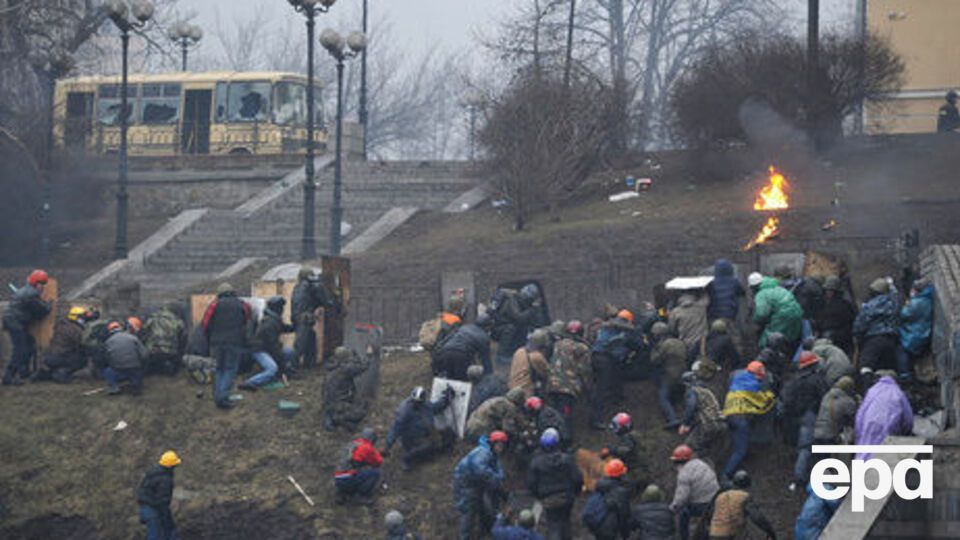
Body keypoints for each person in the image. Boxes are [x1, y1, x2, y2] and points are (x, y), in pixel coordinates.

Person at [782, 351, 830, 489]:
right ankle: (799, 477)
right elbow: (824, 397)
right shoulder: (816, 379)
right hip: (809, 416)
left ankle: (803, 472)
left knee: (802, 447)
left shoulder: (794, 380)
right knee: (806, 447)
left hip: (794, 417)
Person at [201, 283, 252, 409]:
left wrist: (210, 338)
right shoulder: (242, 305)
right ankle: (222, 397)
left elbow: (205, 324)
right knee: (230, 369)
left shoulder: (214, 305)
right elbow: (247, 320)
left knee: (218, 369)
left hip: (216, 343)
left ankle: (219, 395)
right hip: (235, 343)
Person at [721, 361, 776, 478]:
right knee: (740, 450)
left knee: (736, 443)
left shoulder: (737, 380)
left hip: (729, 415)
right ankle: (726, 475)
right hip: (740, 418)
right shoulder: (751, 385)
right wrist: (770, 395)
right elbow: (763, 403)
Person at [526, 428, 583, 539]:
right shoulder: (567, 459)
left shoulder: (536, 462)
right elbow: (577, 479)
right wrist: (575, 492)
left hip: (548, 499)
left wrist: (539, 496)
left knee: (553, 525)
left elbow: (531, 484)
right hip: (566, 497)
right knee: (565, 522)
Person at [590, 310, 642, 428]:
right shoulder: (624, 330)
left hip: (597, 357)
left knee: (614, 376)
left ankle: (617, 397)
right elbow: (636, 344)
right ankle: (595, 420)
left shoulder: (607, 328)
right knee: (601, 389)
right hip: (605, 359)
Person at [384, 385, 455, 470]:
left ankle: (434, 452)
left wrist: (446, 399)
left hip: (426, 434)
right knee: (428, 445)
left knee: (449, 432)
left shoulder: (425, 405)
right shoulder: (404, 411)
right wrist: (388, 445)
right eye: (414, 401)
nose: (416, 404)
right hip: (411, 439)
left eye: (419, 402)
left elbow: (436, 407)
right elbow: (395, 429)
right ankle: (406, 458)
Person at [454, 431, 509, 540]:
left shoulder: (492, 453)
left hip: (476, 482)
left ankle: (485, 530)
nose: (500, 448)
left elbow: (497, 467)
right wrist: (496, 479)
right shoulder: (483, 453)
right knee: (469, 510)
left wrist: (500, 477)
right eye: (499, 445)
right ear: (493, 444)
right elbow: (481, 470)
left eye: (502, 446)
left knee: (483, 506)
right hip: (466, 483)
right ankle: (464, 536)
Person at [2, 269, 52, 385]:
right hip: (15, 322)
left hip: (14, 321)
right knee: (20, 350)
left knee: (29, 344)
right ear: (35, 283)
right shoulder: (32, 294)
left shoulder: (25, 290)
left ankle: (24, 371)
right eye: (41, 284)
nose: (43, 287)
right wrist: (49, 304)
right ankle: (9, 377)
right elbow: (42, 311)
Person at [546, 319, 592, 435]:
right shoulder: (582, 348)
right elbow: (584, 370)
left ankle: (553, 439)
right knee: (565, 417)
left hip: (551, 385)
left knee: (554, 416)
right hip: (567, 388)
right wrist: (588, 388)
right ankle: (566, 442)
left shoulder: (557, 344)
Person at [854, 374, 913, 460]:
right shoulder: (898, 393)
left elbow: (860, 414)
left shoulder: (872, 391)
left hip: (868, 427)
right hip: (889, 429)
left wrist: (859, 433)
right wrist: (905, 432)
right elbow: (908, 420)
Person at [240, 296, 293, 390]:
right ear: (276, 308)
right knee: (272, 369)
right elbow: (273, 347)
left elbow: (284, 328)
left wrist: (297, 326)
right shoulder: (269, 323)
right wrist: (281, 365)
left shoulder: (274, 320)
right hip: (258, 350)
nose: (282, 309)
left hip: (266, 348)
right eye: (280, 307)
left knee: (290, 352)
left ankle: (277, 374)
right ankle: (249, 383)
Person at [853, 278, 901, 382]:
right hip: (891, 340)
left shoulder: (869, 306)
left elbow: (860, 324)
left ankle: (868, 391)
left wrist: (857, 337)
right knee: (887, 369)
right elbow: (895, 294)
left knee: (865, 366)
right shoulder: (893, 303)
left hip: (874, 339)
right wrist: (891, 284)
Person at [669, 445, 720, 540]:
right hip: (715, 500)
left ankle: (684, 537)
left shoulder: (684, 473)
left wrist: (672, 508)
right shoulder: (701, 463)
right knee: (707, 523)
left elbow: (681, 497)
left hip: (702, 504)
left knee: (683, 513)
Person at [709, 470, 777, 540]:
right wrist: (770, 531)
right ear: (746, 486)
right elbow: (757, 517)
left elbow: (712, 515)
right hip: (730, 534)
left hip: (713, 535)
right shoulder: (743, 496)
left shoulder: (720, 497)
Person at [291, 266, 336, 371]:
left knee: (310, 340)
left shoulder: (297, 287)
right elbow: (325, 301)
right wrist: (334, 302)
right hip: (305, 319)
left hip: (297, 318)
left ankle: (309, 364)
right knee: (300, 346)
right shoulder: (312, 286)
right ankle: (291, 368)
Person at [492, 284, 545, 367]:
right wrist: (532, 309)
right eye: (529, 299)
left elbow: (535, 322)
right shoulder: (512, 300)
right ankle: (501, 356)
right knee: (510, 328)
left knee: (524, 328)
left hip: (512, 328)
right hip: (497, 328)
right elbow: (518, 318)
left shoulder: (526, 304)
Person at [433, 307, 492, 379]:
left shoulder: (464, 327)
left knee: (449, 377)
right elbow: (486, 360)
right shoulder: (484, 337)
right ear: (487, 326)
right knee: (460, 379)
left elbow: (449, 338)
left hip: (446, 351)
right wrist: (490, 376)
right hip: (461, 355)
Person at [33, 306, 87, 383]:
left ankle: (45, 373)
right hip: (60, 356)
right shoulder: (75, 329)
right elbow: (81, 344)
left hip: (49, 356)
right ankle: (62, 373)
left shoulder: (62, 324)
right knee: (82, 359)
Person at [323, 347, 371, 431]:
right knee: (361, 413)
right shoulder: (345, 369)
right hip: (340, 403)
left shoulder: (330, 367)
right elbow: (363, 366)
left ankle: (330, 416)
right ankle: (338, 418)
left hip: (328, 403)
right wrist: (369, 355)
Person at [650, 321, 687, 428]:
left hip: (670, 374)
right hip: (683, 373)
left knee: (663, 397)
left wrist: (653, 349)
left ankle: (673, 419)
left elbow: (655, 360)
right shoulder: (679, 342)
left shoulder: (665, 345)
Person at [678, 371, 726, 454]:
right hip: (720, 424)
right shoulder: (706, 390)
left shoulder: (692, 391)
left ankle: (694, 465)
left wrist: (684, 424)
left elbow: (691, 406)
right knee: (704, 448)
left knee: (688, 447)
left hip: (708, 424)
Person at [137, 450, 181, 540]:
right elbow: (162, 501)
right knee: (162, 534)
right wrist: (167, 519)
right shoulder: (165, 479)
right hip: (154, 511)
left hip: (144, 508)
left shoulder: (152, 473)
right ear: (171, 466)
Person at [334, 427, 383, 505]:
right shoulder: (367, 447)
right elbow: (378, 462)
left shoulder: (353, 443)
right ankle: (361, 496)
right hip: (348, 479)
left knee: (354, 471)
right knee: (375, 473)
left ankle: (342, 493)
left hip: (337, 479)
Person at [897, 279, 934, 381]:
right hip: (923, 330)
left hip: (916, 333)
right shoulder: (927, 298)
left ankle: (905, 374)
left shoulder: (917, 302)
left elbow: (904, 314)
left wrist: (906, 304)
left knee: (902, 349)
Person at [585, 459, 632, 540]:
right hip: (612, 530)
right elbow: (624, 515)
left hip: (598, 527)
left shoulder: (600, 487)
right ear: (620, 475)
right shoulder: (620, 492)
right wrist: (625, 535)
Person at [604, 412, 649, 496]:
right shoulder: (635, 435)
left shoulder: (628, 438)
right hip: (642, 469)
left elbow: (625, 451)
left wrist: (611, 450)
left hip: (636, 472)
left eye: (616, 426)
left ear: (623, 427)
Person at [753, 276, 804, 349]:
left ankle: (766, 355)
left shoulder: (762, 294)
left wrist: (756, 321)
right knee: (789, 339)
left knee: (770, 339)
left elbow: (762, 313)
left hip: (783, 315)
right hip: (797, 313)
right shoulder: (780, 289)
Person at [707, 259, 746, 353]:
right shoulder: (734, 282)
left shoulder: (711, 283)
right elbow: (742, 293)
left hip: (714, 316)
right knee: (734, 338)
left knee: (715, 338)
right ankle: (737, 357)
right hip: (730, 315)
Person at [813, 276, 857, 355]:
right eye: (827, 290)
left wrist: (836, 335)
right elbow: (818, 319)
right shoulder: (821, 303)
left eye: (831, 290)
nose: (828, 293)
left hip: (840, 338)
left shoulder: (844, 305)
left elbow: (849, 323)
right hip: (823, 336)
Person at [141, 303, 186, 376]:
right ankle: (169, 366)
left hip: (153, 350)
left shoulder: (153, 317)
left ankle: (151, 368)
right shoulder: (176, 319)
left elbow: (144, 331)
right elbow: (183, 334)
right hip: (171, 351)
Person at [813, 376, 858, 447]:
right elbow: (854, 419)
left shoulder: (827, 396)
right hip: (831, 436)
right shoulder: (848, 401)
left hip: (817, 432)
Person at [104, 321, 147, 395]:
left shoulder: (108, 342)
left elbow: (107, 357)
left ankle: (113, 387)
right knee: (137, 371)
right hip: (134, 367)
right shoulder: (133, 338)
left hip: (118, 368)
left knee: (108, 371)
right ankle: (136, 384)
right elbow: (144, 354)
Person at [509, 328, 551, 398]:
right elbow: (547, 374)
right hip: (526, 394)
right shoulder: (537, 356)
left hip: (512, 391)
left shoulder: (519, 351)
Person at [82, 309, 111, 378]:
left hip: (93, 347)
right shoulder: (106, 323)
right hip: (105, 346)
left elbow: (84, 340)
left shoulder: (90, 325)